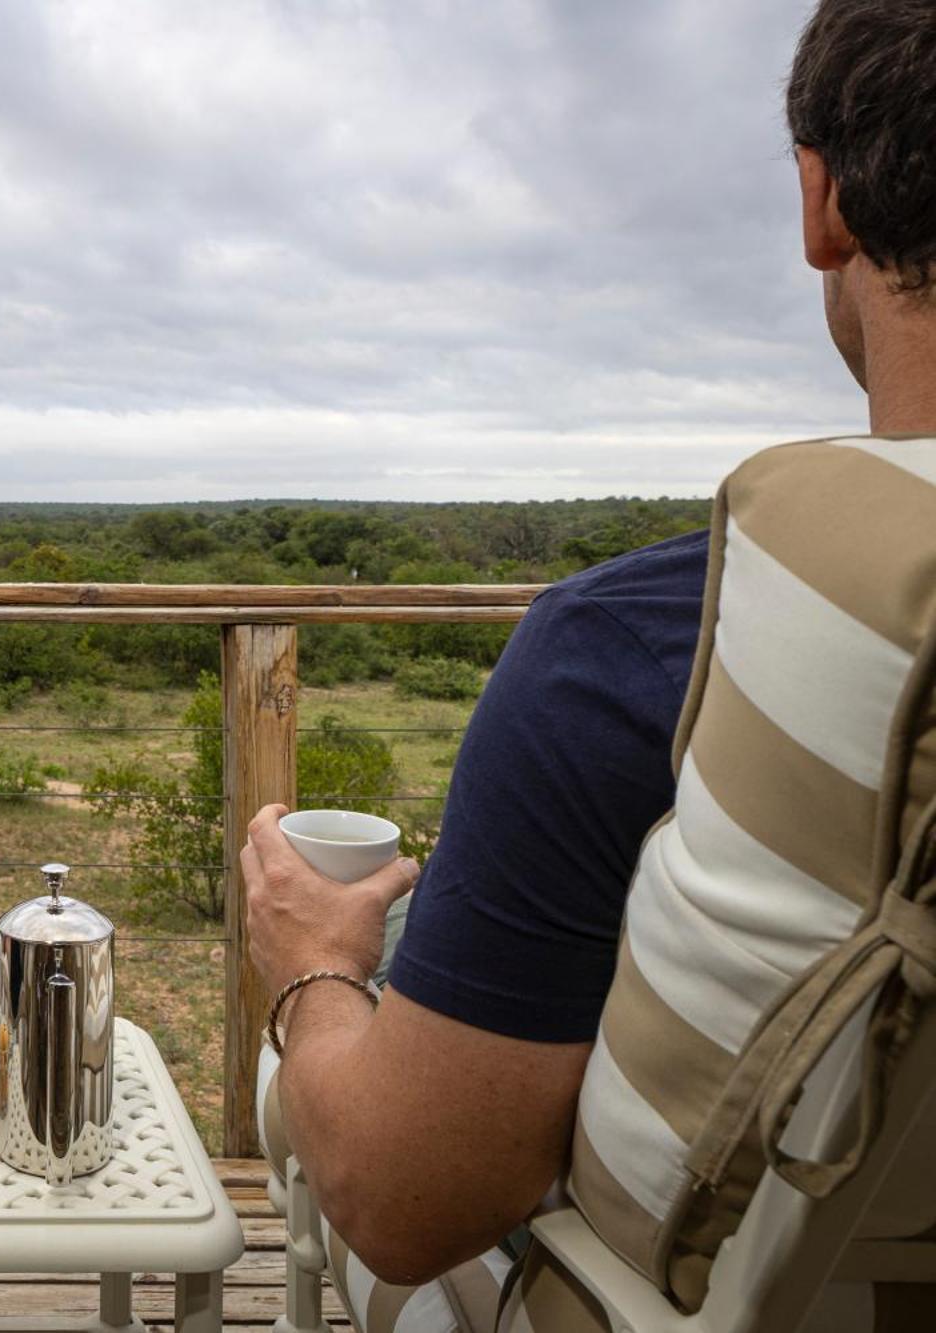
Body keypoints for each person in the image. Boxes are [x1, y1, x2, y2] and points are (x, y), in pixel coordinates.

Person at [240, 0, 936, 1287]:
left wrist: (311, 971)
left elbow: (403, 1201)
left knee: (359, 1073)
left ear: (820, 200)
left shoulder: (628, 656)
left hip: (675, 1290)